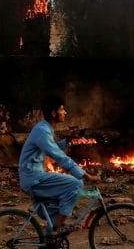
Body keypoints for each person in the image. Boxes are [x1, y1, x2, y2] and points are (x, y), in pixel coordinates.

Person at [18, 96, 100, 234]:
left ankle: (52, 233)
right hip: (33, 177)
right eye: (62, 109)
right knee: (75, 184)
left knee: (59, 202)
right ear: (53, 113)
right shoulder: (42, 131)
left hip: (35, 176)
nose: (65, 112)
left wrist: (69, 139)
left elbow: (53, 148)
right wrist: (86, 176)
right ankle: (56, 229)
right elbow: (60, 157)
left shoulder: (45, 128)